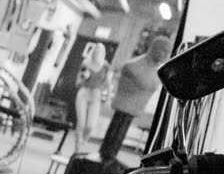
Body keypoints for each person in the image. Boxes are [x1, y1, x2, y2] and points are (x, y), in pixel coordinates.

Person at [99, 33, 173, 163]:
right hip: (124, 105)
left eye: (168, 52)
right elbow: (145, 82)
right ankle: (106, 155)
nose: (166, 55)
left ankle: (109, 156)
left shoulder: (156, 70)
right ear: (155, 49)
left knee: (119, 134)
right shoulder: (133, 66)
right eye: (163, 50)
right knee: (115, 132)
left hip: (134, 107)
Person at [74, 42, 110, 155]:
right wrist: (84, 77)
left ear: (103, 53)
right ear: (93, 52)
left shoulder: (105, 66)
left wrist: (107, 97)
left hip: (96, 95)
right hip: (84, 92)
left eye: (99, 52)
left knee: (90, 125)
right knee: (81, 123)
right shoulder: (86, 63)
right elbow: (78, 81)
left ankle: (84, 141)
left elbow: (107, 83)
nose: (97, 54)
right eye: (96, 51)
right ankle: (77, 149)